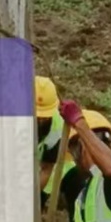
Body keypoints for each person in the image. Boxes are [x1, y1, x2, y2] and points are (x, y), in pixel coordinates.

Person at [35, 77, 76, 210]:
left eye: (44, 115)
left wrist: (29, 199)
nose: (40, 119)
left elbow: (46, 169)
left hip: (40, 172)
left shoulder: (57, 129)